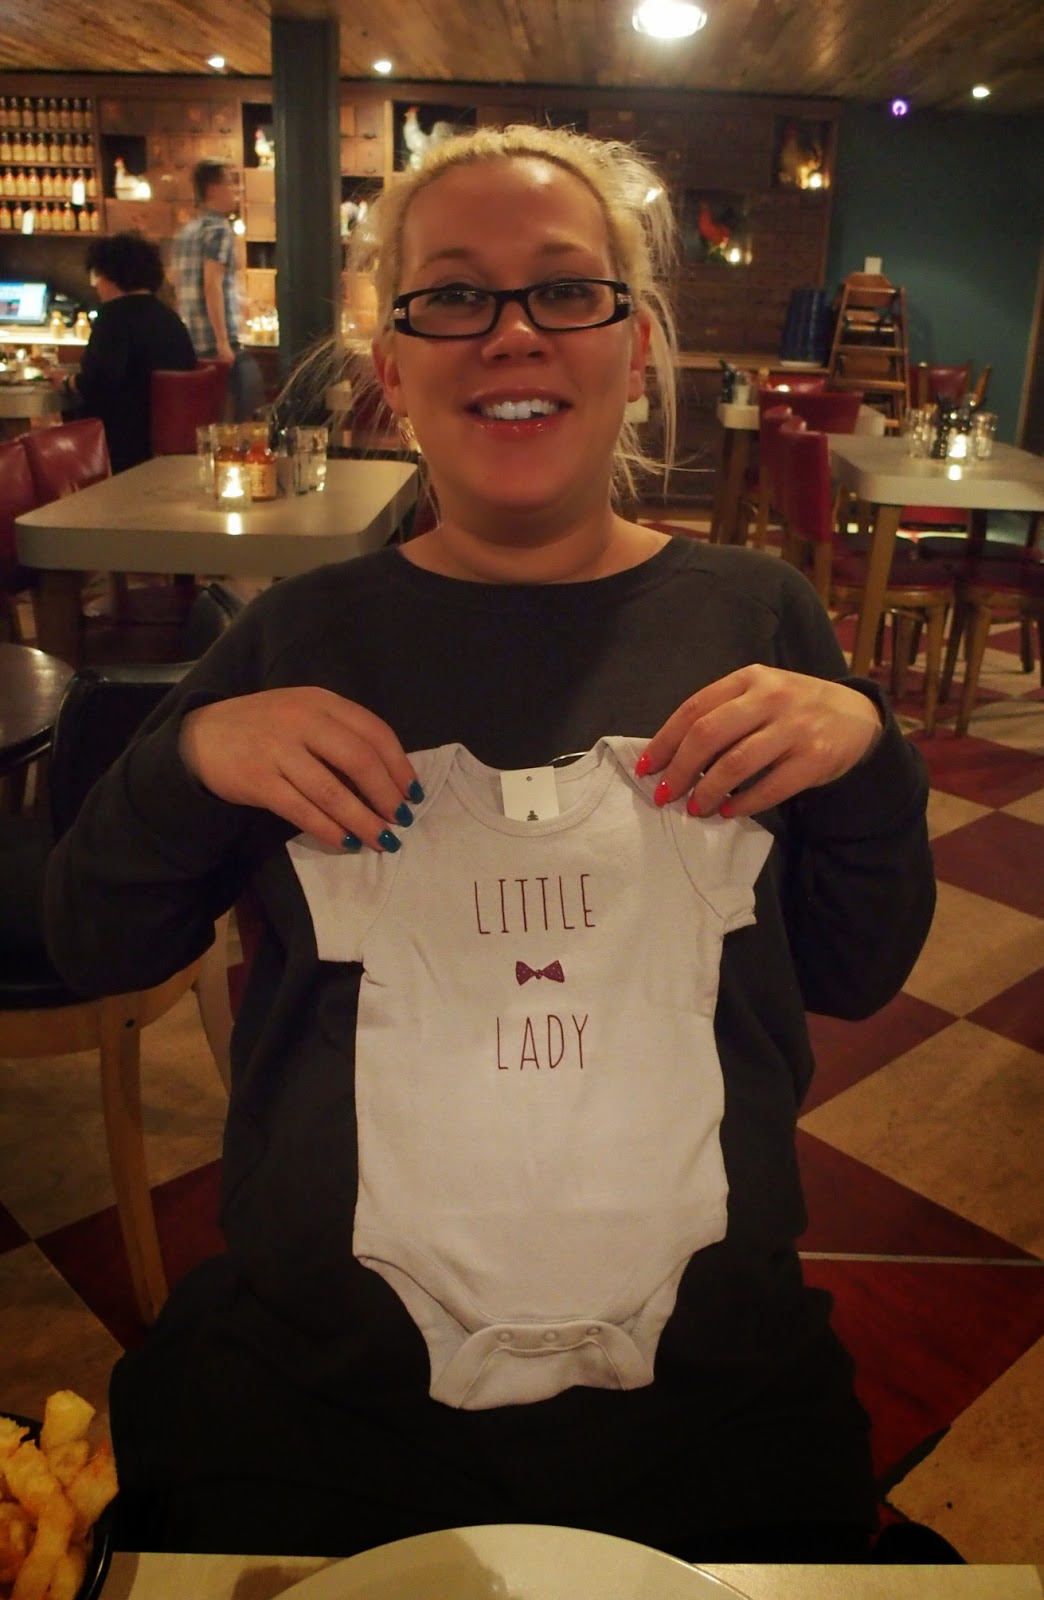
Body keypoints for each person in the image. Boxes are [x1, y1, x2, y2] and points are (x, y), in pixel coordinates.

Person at [44, 125, 936, 1563]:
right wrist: (190, 760)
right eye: (453, 294)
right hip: (318, 1396)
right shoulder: (301, 635)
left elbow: (855, 968)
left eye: (565, 290)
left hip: (716, 1396)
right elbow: (92, 940)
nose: (511, 333)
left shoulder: (755, 618)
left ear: (636, 348)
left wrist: (868, 756)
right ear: (391, 366)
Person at [52, 231, 195, 473]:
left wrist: (66, 382)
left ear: (110, 276)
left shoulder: (113, 317)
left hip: (123, 444)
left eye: (96, 276)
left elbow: (99, 382)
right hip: (171, 439)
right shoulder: (170, 318)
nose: (96, 285)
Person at [169, 160, 264, 421]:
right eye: (230, 183)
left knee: (208, 419)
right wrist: (222, 342)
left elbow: (177, 285)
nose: (237, 189)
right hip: (217, 343)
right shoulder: (219, 230)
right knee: (246, 412)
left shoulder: (187, 232)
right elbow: (212, 284)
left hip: (193, 343)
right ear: (213, 189)